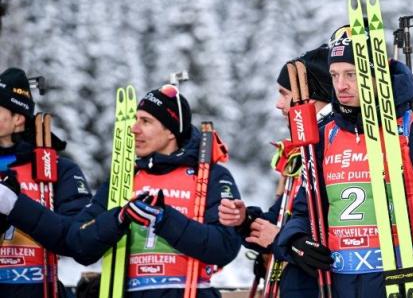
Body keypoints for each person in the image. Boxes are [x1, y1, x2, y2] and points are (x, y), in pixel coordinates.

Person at [275, 25, 413, 298]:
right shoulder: (325, 136)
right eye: (335, 75)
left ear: (378, 74)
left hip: (404, 285)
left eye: (351, 74)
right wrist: (295, 240)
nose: (340, 86)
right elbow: (306, 211)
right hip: (337, 287)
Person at [0, 84, 242, 297]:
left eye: (145, 122)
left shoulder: (211, 175)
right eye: (135, 119)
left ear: (171, 131)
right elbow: (77, 242)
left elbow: (224, 246)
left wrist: (165, 218)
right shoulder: (124, 178)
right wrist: (118, 218)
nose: (134, 129)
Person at [219, 44, 333, 298]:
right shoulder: (301, 151)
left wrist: (281, 239)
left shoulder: (334, 147)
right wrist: (245, 221)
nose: (278, 104)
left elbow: (329, 239)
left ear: (309, 97)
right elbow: (284, 217)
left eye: (284, 93)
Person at [0, 67, 92, 298]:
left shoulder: (59, 169)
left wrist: (19, 208)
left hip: (38, 289)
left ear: (18, 118)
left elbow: (79, 238)